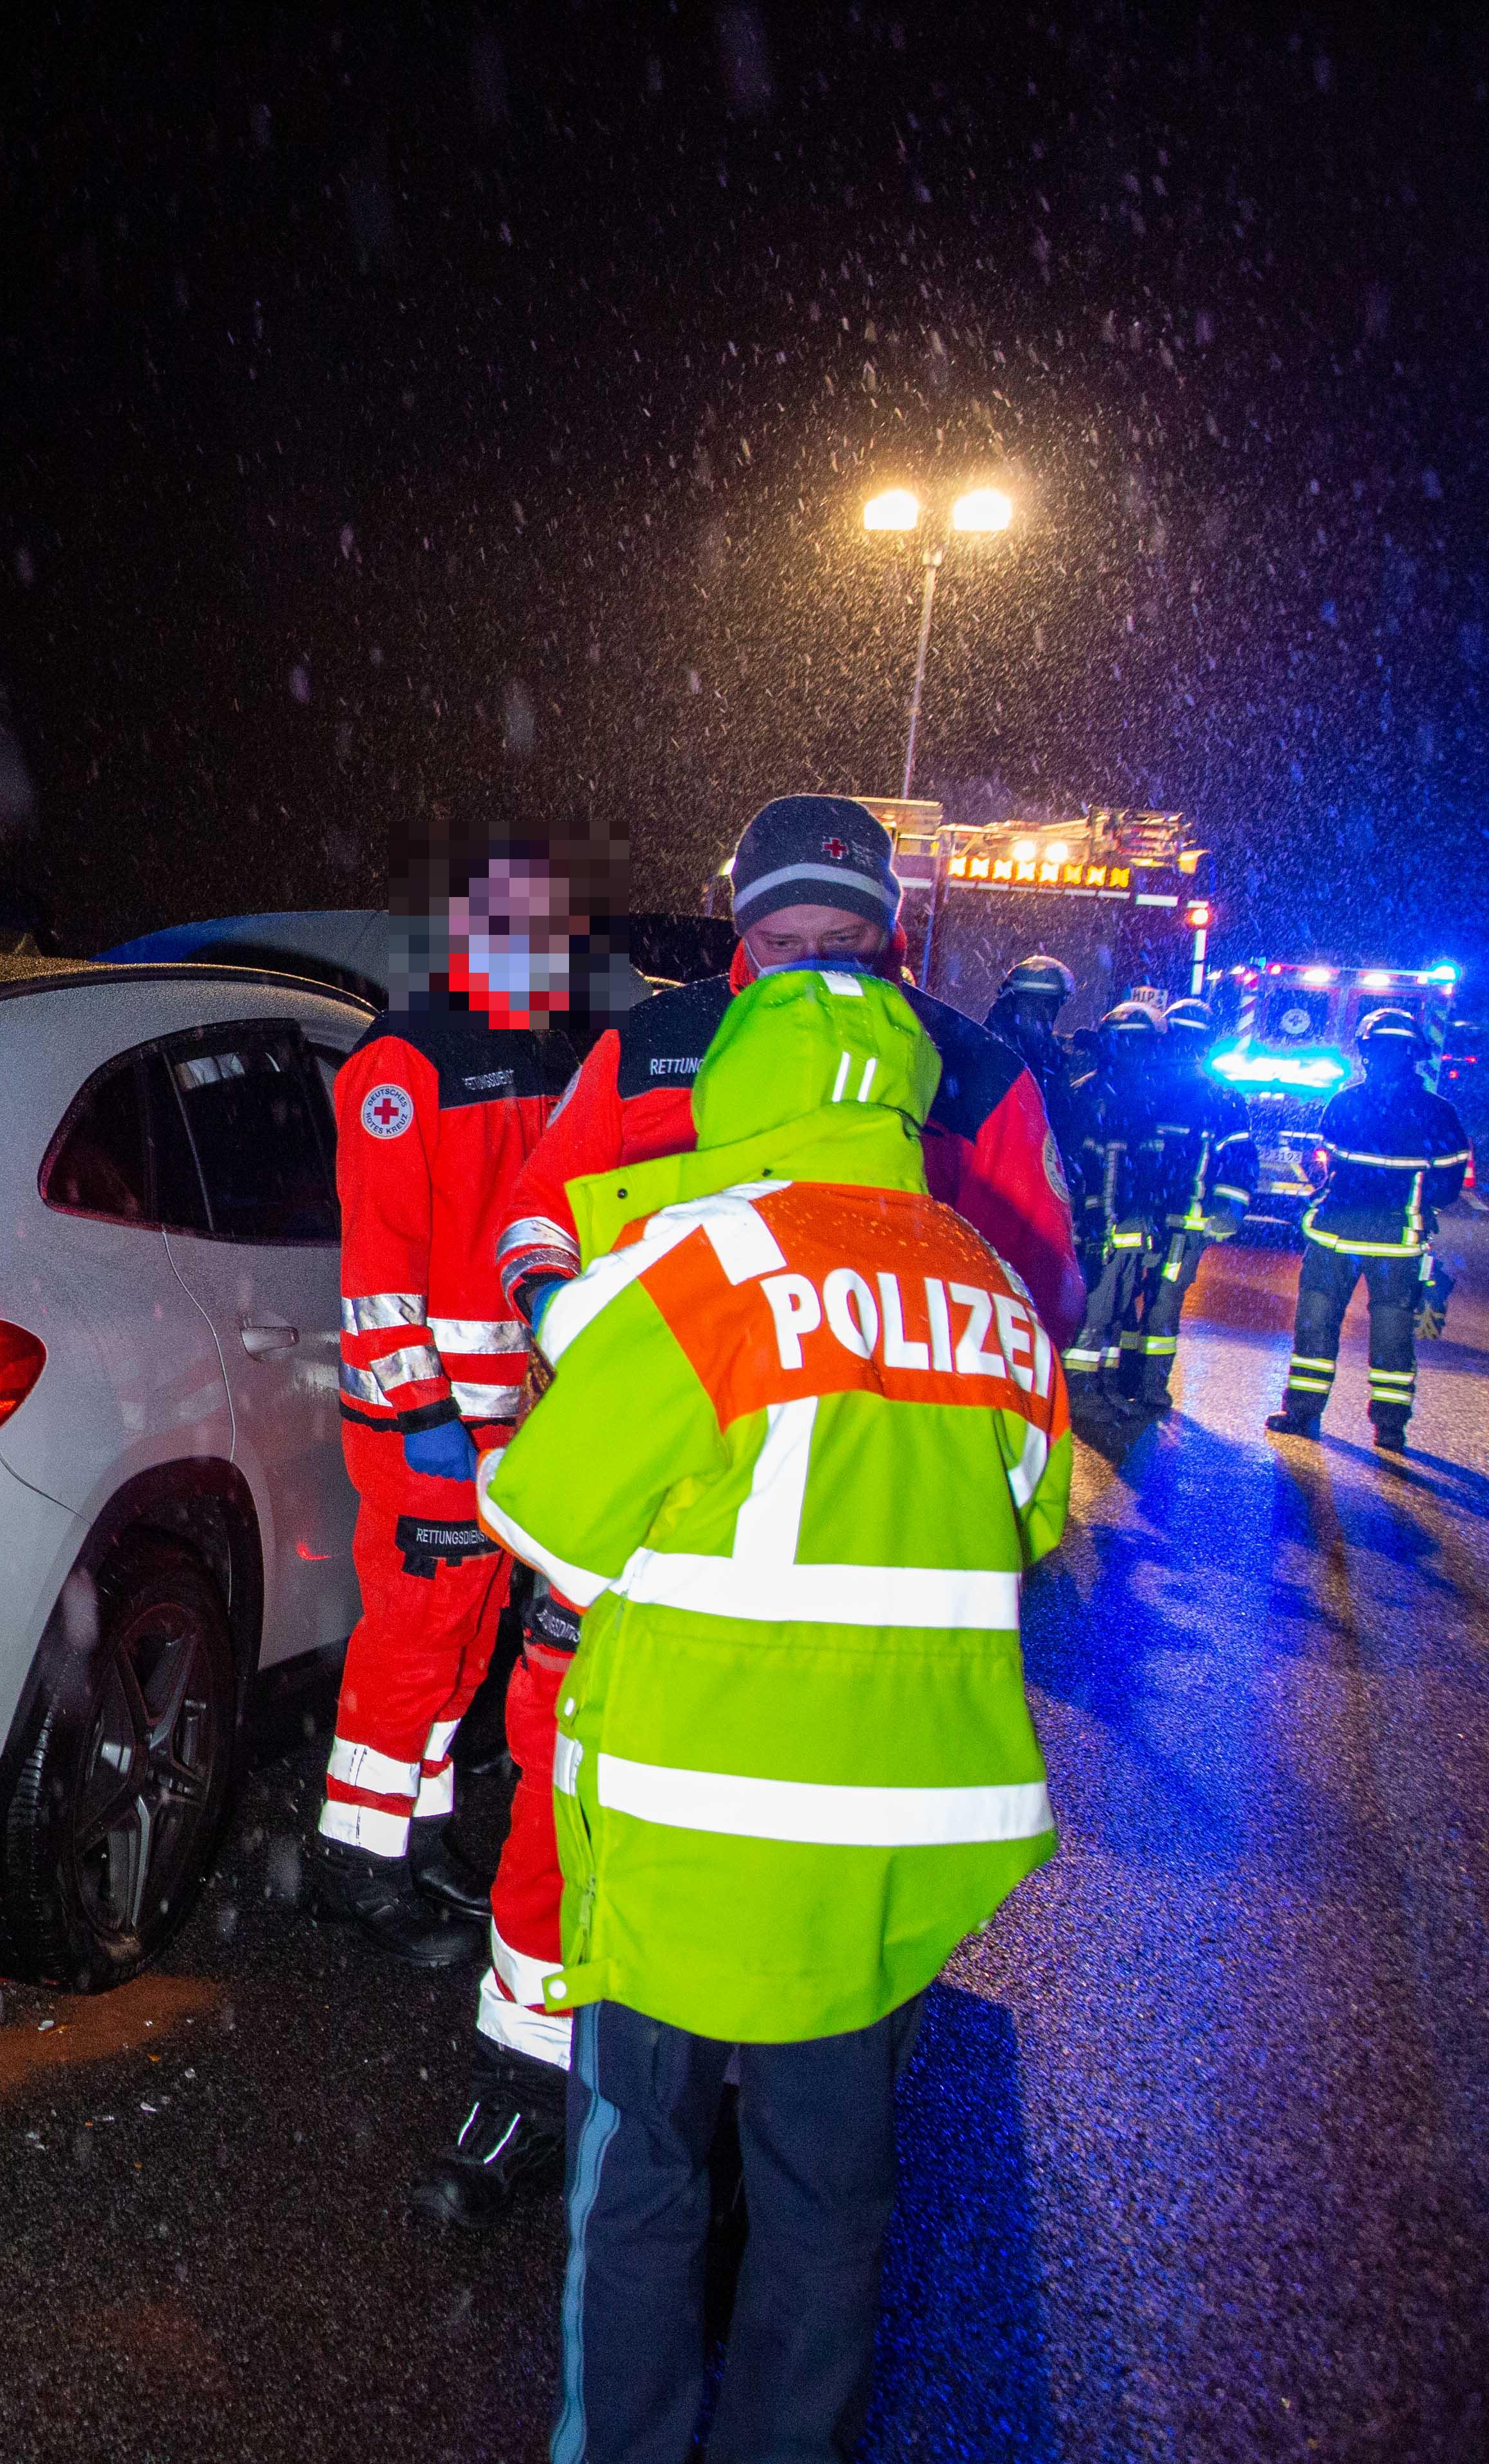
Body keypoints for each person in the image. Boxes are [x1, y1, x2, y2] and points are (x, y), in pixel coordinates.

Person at [419, 796, 1082, 2232]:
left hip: (852, 1582)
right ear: (739, 931)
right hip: (637, 1516)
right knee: (562, 1812)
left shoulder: (970, 1079)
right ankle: (530, 2081)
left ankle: (750, 2158)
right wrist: (573, 1319)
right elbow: (537, 1217)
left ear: (894, 937)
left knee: (817, 1880)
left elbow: (1043, 1299)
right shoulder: (653, 1046)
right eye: (782, 939)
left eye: (841, 941)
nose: (810, 970)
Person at [473, 961, 1071, 2464]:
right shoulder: (989, 1294)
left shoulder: (713, 1264)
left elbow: (542, 1516)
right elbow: (1028, 1519)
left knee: (645, 2174)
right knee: (825, 2199)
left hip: (687, 1827)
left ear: (743, 1084)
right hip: (880, 1847)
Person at [311, 841, 591, 1967]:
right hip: (424, 1432)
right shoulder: (401, 1065)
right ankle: (356, 1868)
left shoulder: (530, 1056)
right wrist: (422, 1413)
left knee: (466, 1649)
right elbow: (378, 1271)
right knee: (412, 1651)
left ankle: (411, 1844)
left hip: (501, 1430)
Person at [1270, 1007, 1470, 1452]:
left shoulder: (1346, 1102)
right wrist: (1412, 1201)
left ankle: (1302, 1413)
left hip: (1334, 1237)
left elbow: (1323, 1162)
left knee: (1317, 1327)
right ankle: (1391, 1426)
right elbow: (1450, 1185)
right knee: (1393, 1334)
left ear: (1367, 1054)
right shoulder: (1440, 1114)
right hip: (1399, 1243)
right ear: (1414, 1056)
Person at [1123, 997, 1254, 1412]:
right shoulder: (1152, 1088)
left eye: (1192, 1040)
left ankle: (1142, 1386)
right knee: (1136, 1299)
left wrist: (1229, 1209)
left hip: (1174, 1220)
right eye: (1181, 1037)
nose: (1185, 1047)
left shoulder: (1214, 1098)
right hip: (1149, 1216)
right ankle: (1134, 1383)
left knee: (1151, 1302)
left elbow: (1239, 1161)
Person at [1060, 997, 1178, 1397]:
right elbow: (1082, 1162)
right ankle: (1082, 1390)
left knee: (1113, 1308)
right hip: (1102, 1224)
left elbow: (1147, 1166)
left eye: (1140, 1045)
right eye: (1128, 1044)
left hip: (1127, 1221)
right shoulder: (1097, 1094)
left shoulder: (1135, 1094)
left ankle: (1100, 1388)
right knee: (1098, 1306)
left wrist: (1149, 1217)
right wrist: (1098, 1221)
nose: (1136, 1053)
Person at [984, 952, 1080, 1117]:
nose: (1048, 1015)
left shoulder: (1047, 1055)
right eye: (1047, 1006)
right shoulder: (993, 1051)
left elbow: (1060, 1117)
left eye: (1052, 1008)